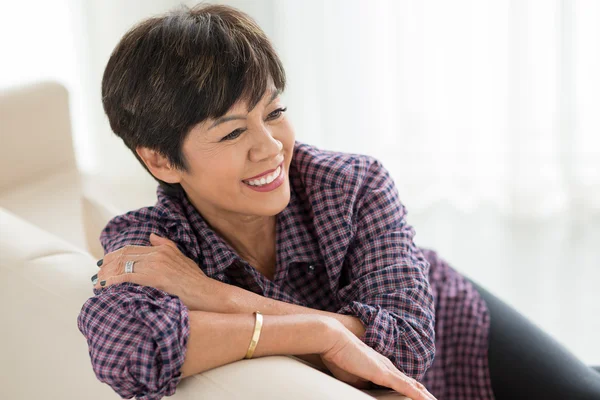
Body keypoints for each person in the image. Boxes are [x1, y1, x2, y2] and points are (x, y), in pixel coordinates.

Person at [77, 4, 600, 400]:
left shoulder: (352, 184)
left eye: (275, 111)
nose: (271, 146)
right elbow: (128, 351)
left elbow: (408, 347)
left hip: (449, 318)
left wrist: (211, 294)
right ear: (162, 161)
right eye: (233, 133)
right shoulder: (150, 243)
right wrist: (321, 329)